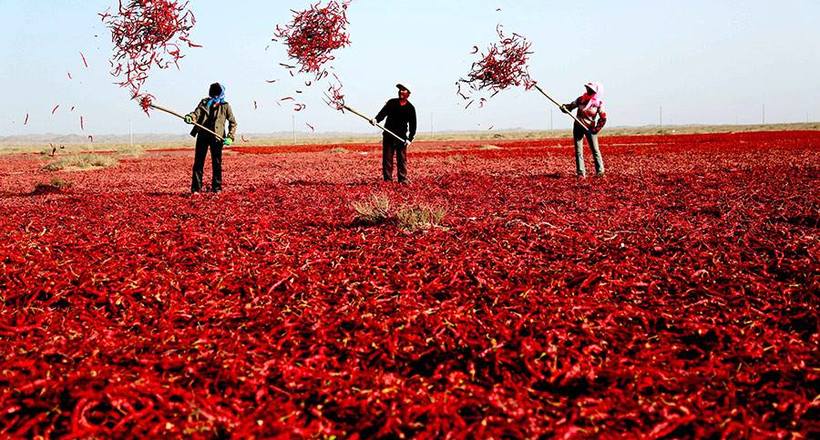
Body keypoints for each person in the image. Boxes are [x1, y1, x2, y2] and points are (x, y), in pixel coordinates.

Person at [184, 82, 237, 193]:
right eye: (214, 93)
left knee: (217, 163)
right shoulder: (204, 102)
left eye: (217, 93)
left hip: (217, 138)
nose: (215, 96)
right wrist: (191, 117)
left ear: (221, 93)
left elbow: (233, 122)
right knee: (198, 163)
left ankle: (217, 188)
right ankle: (196, 189)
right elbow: (196, 113)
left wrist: (230, 137)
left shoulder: (225, 106)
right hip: (203, 135)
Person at [370, 84, 417, 183]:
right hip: (388, 135)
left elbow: (413, 125)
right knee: (387, 159)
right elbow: (382, 113)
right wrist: (376, 120)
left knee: (402, 159)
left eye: (404, 90)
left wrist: (410, 139)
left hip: (401, 138)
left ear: (408, 94)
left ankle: (403, 179)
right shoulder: (391, 103)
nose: (401, 92)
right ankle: (388, 180)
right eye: (400, 90)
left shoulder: (410, 108)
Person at [561, 82, 607, 178]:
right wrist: (564, 108)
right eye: (587, 88)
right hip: (578, 127)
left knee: (595, 150)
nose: (588, 90)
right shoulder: (581, 99)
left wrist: (596, 129)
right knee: (578, 151)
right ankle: (581, 172)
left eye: (591, 89)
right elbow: (570, 107)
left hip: (590, 128)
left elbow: (603, 118)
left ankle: (600, 171)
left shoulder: (598, 104)